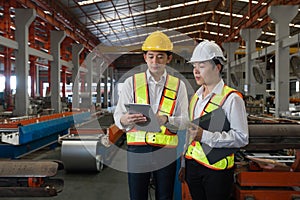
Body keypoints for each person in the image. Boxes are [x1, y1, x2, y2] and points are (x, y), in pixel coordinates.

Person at [113, 31, 189, 200]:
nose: (155, 61)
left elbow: (185, 121)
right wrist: (124, 120)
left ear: (169, 58)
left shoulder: (179, 86)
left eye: (160, 56)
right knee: (137, 195)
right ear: (145, 57)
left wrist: (167, 119)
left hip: (166, 151)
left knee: (164, 196)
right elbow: (118, 116)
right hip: (137, 149)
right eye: (151, 56)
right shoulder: (130, 83)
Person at [179, 40, 249, 200]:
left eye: (201, 66)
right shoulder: (195, 97)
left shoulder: (231, 99)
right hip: (192, 165)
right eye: (194, 66)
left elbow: (242, 138)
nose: (196, 71)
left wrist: (205, 136)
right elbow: (191, 132)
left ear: (217, 67)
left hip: (216, 171)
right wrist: (184, 163)